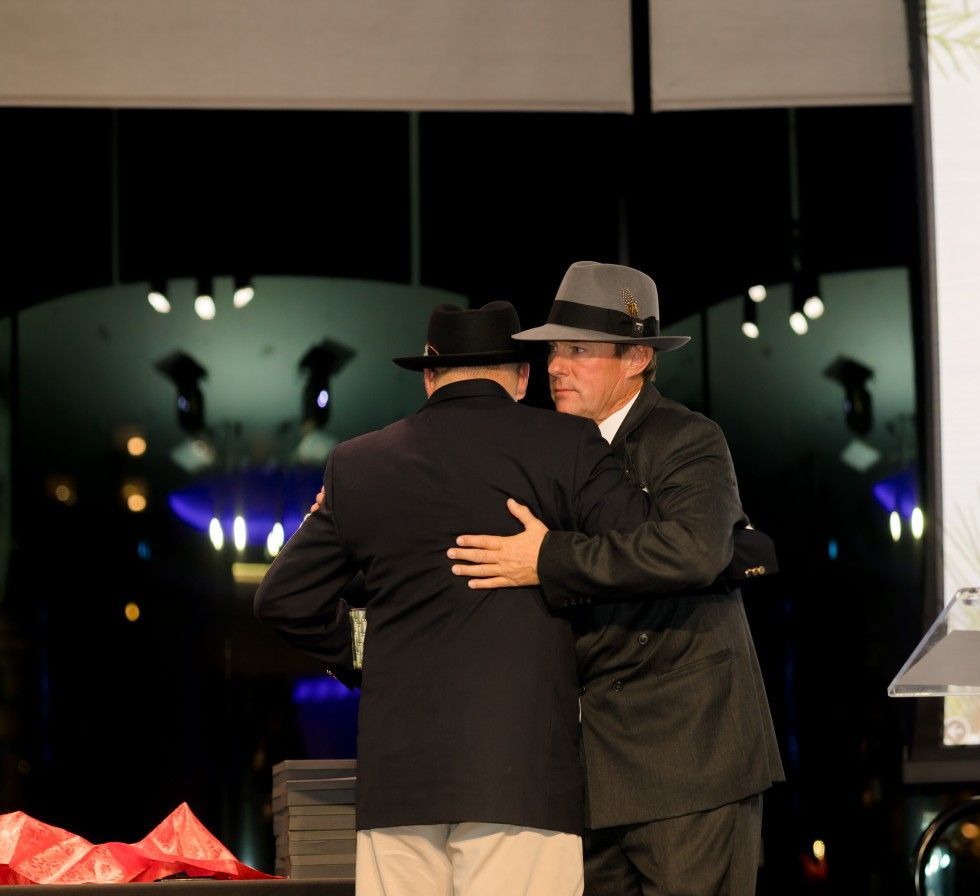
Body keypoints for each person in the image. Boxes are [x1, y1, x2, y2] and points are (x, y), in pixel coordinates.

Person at [254, 301, 650, 896]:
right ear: (520, 378)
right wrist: (553, 558)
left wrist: (363, 648)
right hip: (523, 782)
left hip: (398, 790)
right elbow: (645, 550)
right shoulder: (567, 444)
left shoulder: (360, 464)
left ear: (429, 377)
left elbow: (283, 598)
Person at [449, 262, 785, 896]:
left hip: (691, 763)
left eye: (578, 350)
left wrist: (548, 560)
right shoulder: (548, 453)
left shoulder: (687, 438)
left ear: (636, 359)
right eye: (552, 351)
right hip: (590, 773)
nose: (556, 367)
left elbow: (692, 550)